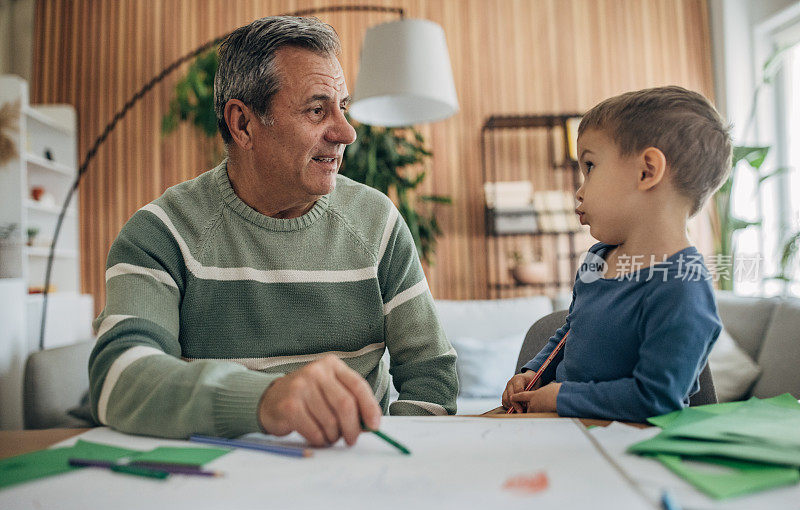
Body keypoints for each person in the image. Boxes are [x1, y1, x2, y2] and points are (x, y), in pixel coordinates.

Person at [88, 16, 458, 445]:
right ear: (243, 124)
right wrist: (264, 400)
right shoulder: (161, 233)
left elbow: (431, 373)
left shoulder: (378, 222)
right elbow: (120, 377)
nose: (346, 132)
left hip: (353, 475)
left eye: (343, 107)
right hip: (214, 484)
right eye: (317, 110)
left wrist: (386, 462)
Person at [502, 86, 731, 422]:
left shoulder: (684, 286)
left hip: (627, 448)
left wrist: (564, 396)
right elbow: (570, 332)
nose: (579, 191)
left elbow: (656, 399)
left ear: (647, 170)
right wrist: (534, 373)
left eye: (590, 166)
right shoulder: (597, 259)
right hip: (565, 429)